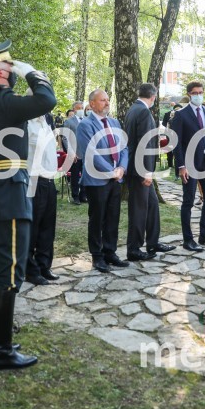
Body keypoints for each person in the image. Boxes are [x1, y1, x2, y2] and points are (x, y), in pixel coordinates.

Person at [0, 40, 56, 370]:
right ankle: (0, 352)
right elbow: (46, 100)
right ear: (3, 72)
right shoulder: (1, 101)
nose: (15, 70)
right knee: (8, 276)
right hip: (7, 198)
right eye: (11, 65)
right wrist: (34, 73)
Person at [76, 89, 129, 273]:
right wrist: (111, 172)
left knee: (113, 217)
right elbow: (90, 153)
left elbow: (124, 148)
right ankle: (97, 256)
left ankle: (110, 252)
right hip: (97, 180)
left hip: (116, 178)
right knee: (97, 219)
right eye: (102, 100)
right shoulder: (85, 125)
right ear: (92, 104)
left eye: (107, 100)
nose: (107, 103)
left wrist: (121, 168)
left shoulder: (114, 122)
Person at [124, 83, 175, 260]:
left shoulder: (133, 109)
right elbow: (144, 143)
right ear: (153, 97)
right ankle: (134, 249)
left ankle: (153, 242)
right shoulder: (143, 112)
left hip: (138, 167)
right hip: (139, 169)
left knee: (152, 206)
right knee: (139, 210)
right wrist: (146, 172)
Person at [170, 81, 205, 251]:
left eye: (200, 92)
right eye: (195, 93)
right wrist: (181, 166)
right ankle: (188, 239)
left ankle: (204, 235)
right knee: (188, 201)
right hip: (189, 164)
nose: (198, 95)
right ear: (189, 94)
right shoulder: (180, 115)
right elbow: (176, 143)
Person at [24, 105, 60, 286]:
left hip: (49, 179)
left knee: (48, 226)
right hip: (33, 179)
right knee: (33, 226)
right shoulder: (25, 122)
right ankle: (30, 270)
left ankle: (44, 265)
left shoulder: (47, 120)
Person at [62, 101, 87, 205]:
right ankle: (75, 196)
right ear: (74, 109)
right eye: (78, 108)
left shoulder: (86, 120)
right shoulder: (69, 122)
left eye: (82, 107)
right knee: (75, 176)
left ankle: (83, 195)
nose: (81, 110)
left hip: (86, 153)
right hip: (75, 154)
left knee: (85, 175)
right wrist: (71, 152)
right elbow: (65, 138)